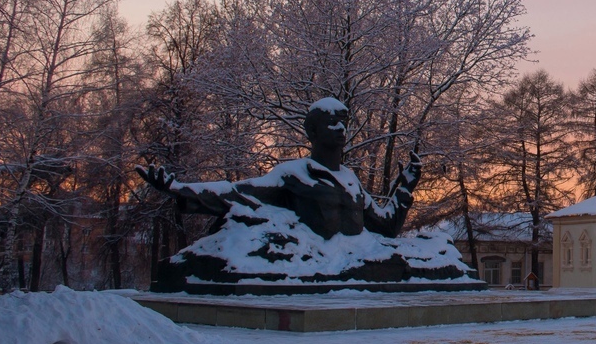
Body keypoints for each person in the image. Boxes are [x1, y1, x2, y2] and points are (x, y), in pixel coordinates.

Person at [137, 97, 419, 240]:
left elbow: (385, 227)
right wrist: (177, 189)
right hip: (314, 270)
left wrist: (405, 186)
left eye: (344, 122)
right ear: (312, 131)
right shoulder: (294, 176)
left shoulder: (351, 181)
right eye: (332, 122)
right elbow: (236, 192)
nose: (341, 128)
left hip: (355, 272)